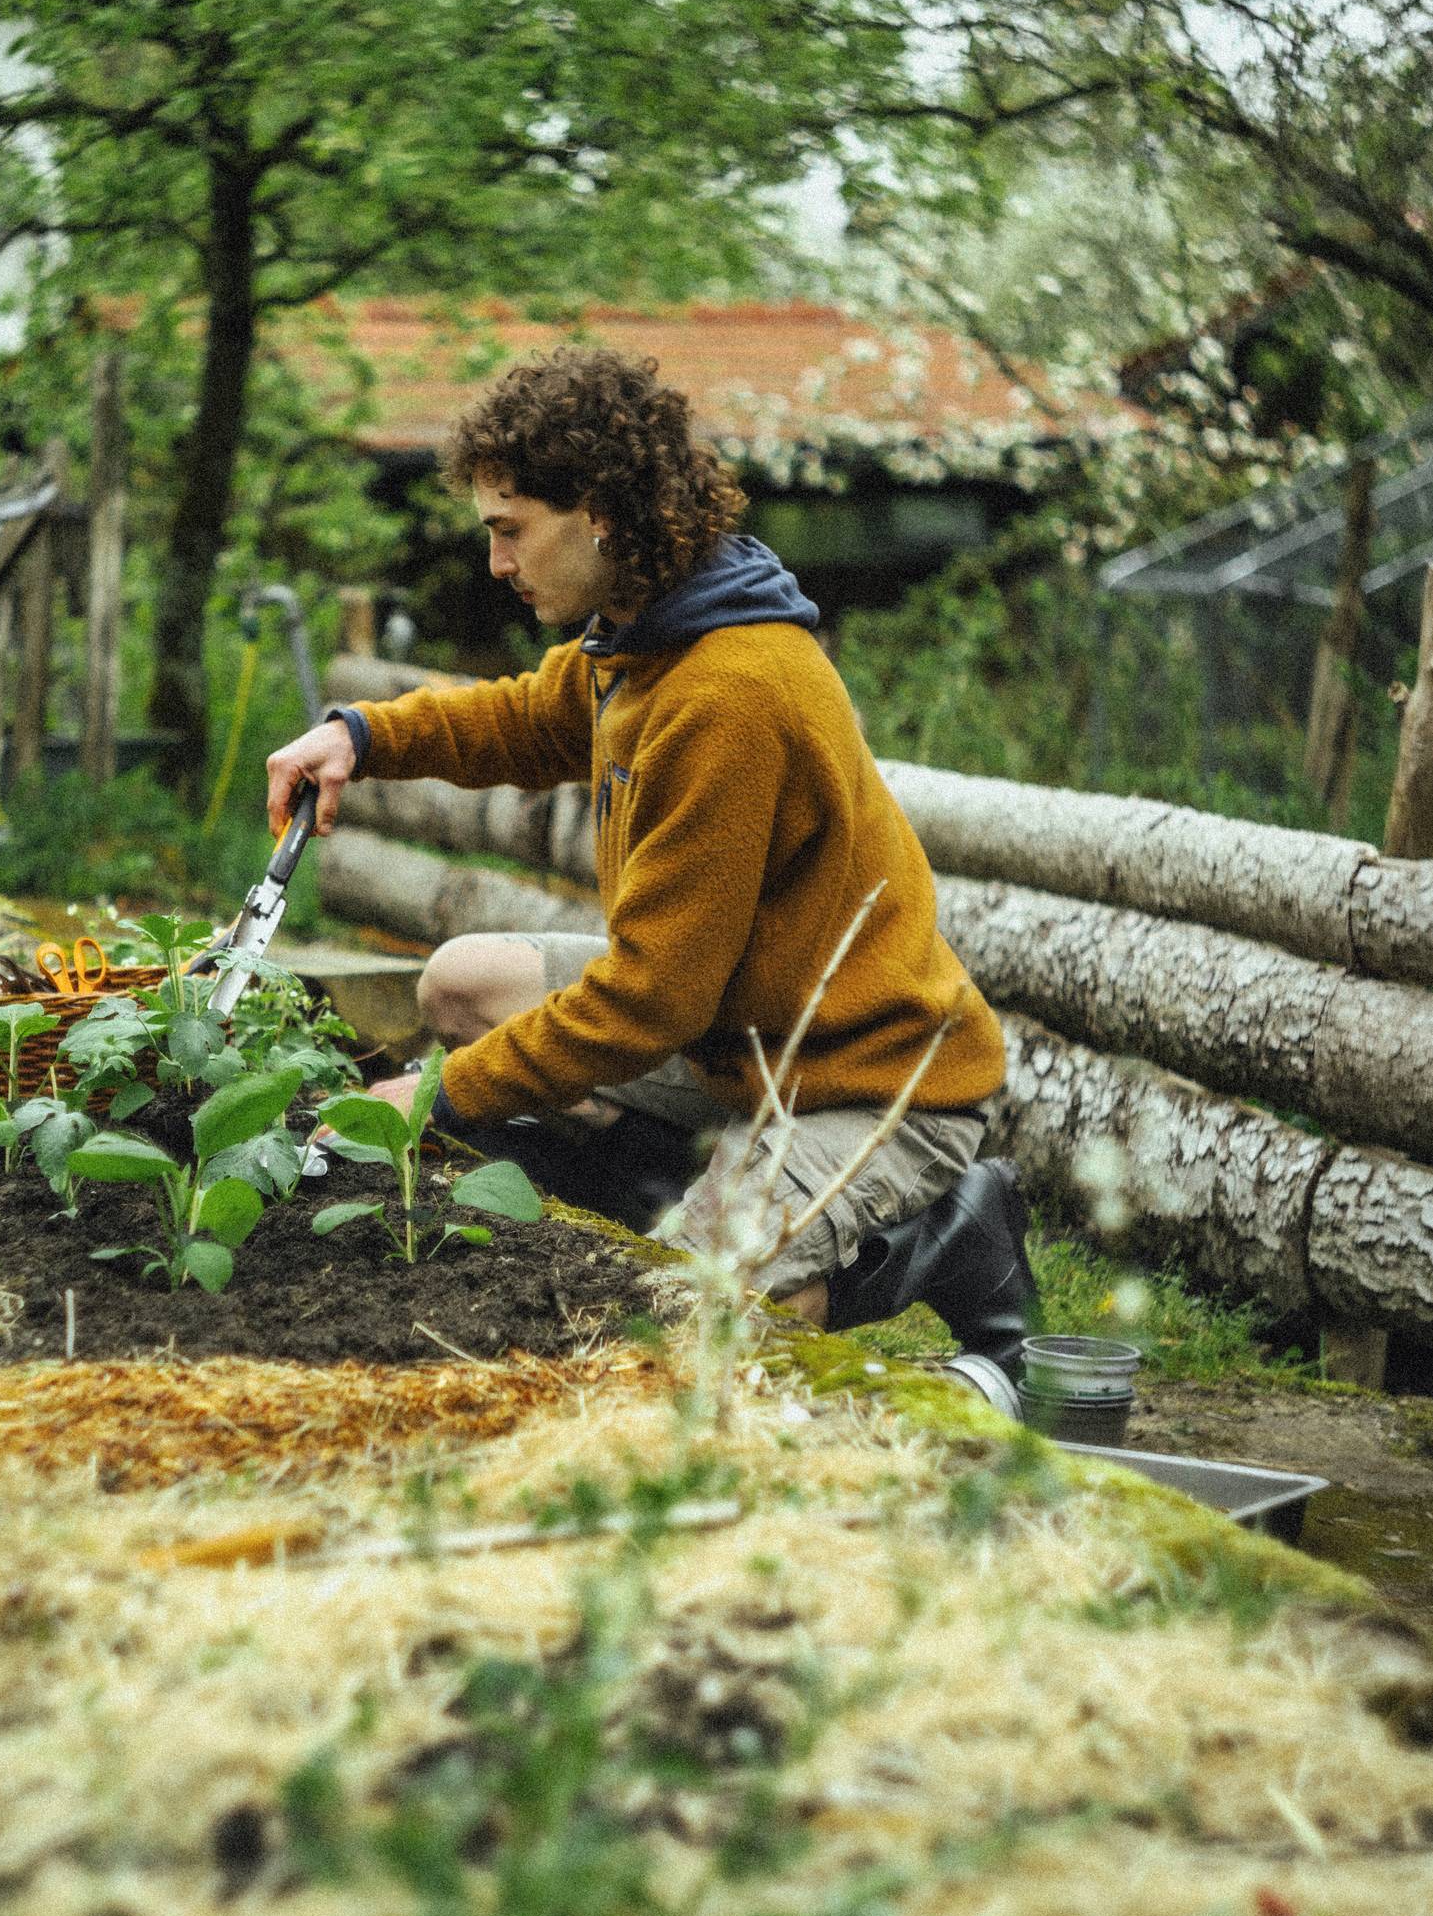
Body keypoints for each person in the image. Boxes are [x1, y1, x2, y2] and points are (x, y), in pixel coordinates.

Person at [266, 347, 1035, 1400]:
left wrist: (434, 1097)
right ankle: (682, 1180)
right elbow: (530, 719)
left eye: (508, 530)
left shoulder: (729, 692)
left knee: (709, 1300)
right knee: (458, 984)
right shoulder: (648, 636)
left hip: (870, 1075)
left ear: (601, 514)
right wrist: (360, 735)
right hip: (740, 1037)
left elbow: (647, 1001)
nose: (495, 562)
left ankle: (945, 1237)